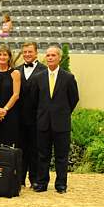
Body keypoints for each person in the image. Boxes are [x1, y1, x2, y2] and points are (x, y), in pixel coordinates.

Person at [32, 46, 79, 194]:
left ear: (59, 58)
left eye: (53, 55)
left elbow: (74, 99)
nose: (50, 58)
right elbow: (34, 101)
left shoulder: (68, 77)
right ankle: (41, 183)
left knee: (61, 156)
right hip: (43, 123)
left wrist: (62, 113)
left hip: (61, 123)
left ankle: (61, 184)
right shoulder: (38, 77)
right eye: (48, 55)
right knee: (42, 155)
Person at [17, 42, 46, 187]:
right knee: (20, 148)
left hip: (37, 118)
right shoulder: (16, 71)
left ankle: (34, 179)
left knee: (35, 149)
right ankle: (20, 178)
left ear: (36, 53)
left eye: (30, 52)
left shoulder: (44, 70)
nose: (27, 54)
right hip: (20, 118)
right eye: (25, 52)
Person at [0, 44, 21, 147]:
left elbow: (16, 94)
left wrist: (4, 110)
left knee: (8, 144)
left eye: (5, 55)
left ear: (9, 57)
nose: (2, 57)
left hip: (10, 114)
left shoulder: (15, 73)